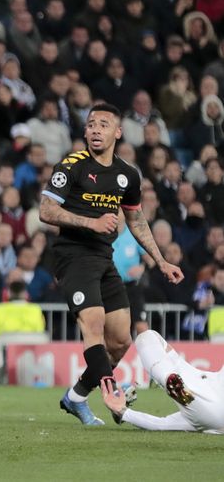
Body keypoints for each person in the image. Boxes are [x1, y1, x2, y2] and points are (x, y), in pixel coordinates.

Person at [39, 102, 184, 425]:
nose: (94, 130)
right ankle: (111, 392)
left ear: (117, 132)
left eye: (103, 124)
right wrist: (90, 223)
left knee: (119, 341)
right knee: (93, 326)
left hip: (104, 258)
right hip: (72, 255)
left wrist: (160, 260)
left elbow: (136, 219)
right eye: (90, 124)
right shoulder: (72, 165)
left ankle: (75, 397)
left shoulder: (127, 175)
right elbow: (46, 210)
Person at [102, 330, 224, 433]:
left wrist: (122, 412)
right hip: (207, 385)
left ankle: (168, 379)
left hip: (211, 410)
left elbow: (159, 424)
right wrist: (124, 413)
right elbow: (160, 424)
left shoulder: (203, 420)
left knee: (145, 339)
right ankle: (169, 380)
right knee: (148, 336)